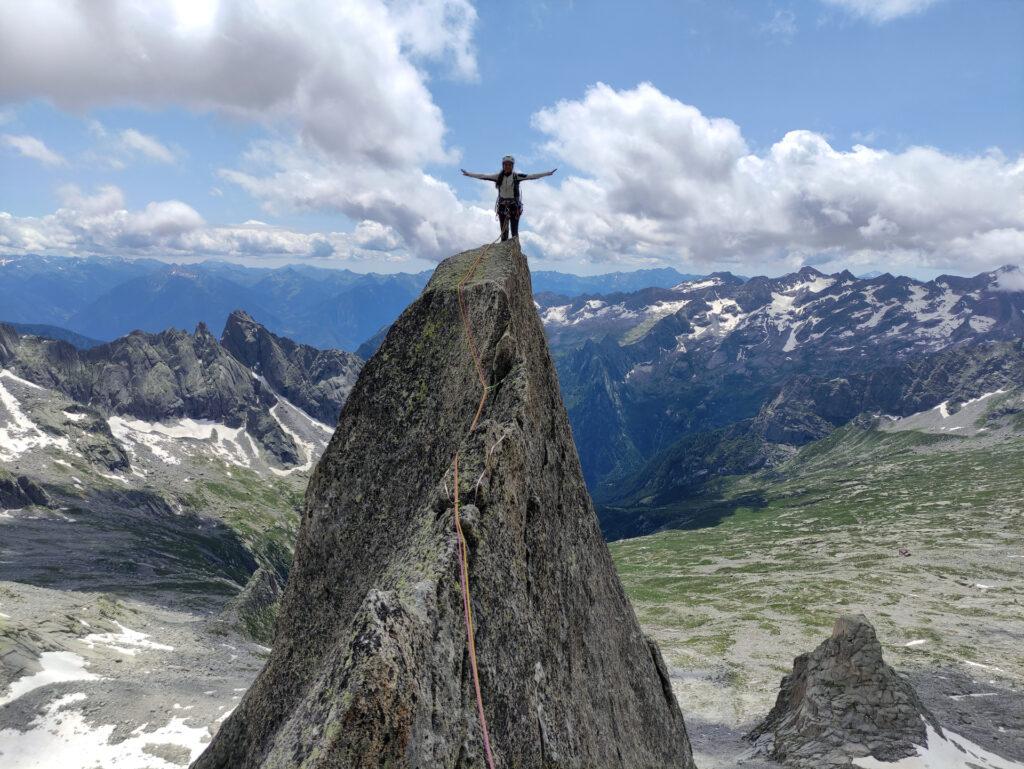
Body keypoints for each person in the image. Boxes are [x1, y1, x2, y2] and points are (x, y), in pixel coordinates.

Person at [462, 156, 557, 242]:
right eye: (505, 165)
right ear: (503, 166)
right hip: (503, 207)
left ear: (512, 166)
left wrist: (547, 173)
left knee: (514, 232)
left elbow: (531, 176)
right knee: (504, 233)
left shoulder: (517, 177)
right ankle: (503, 253)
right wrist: (469, 174)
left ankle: (515, 252)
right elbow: (483, 176)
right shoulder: (498, 177)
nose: (507, 166)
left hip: (514, 207)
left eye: (509, 165)